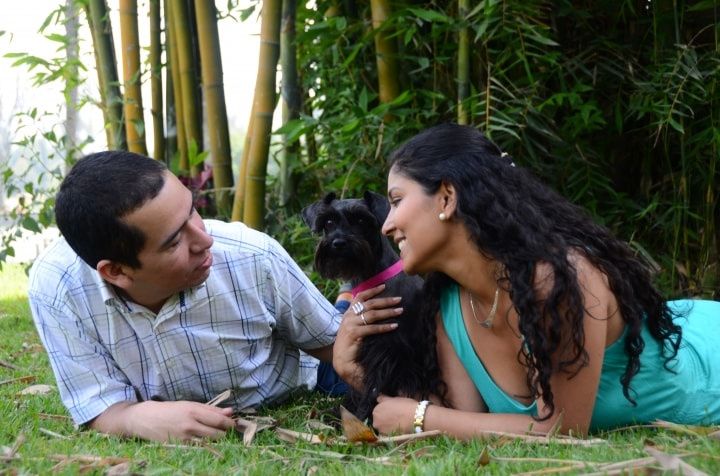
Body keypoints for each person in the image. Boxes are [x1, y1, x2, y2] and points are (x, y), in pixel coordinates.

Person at [333, 123, 720, 438]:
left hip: (707, 365)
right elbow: (461, 416)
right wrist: (353, 370)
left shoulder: (557, 282)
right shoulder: (450, 298)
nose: (386, 225)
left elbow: (562, 430)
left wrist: (420, 419)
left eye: (397, 201)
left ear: (447, 198)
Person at [28, 151, 346, 442]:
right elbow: (96, 403)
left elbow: (336, 346)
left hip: (302, 379)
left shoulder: (251, 255)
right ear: (116, 272)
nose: (204, 239)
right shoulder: (59, 288)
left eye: (192, 210)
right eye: (174, 241)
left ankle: (349, 294)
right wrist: (135, 417)